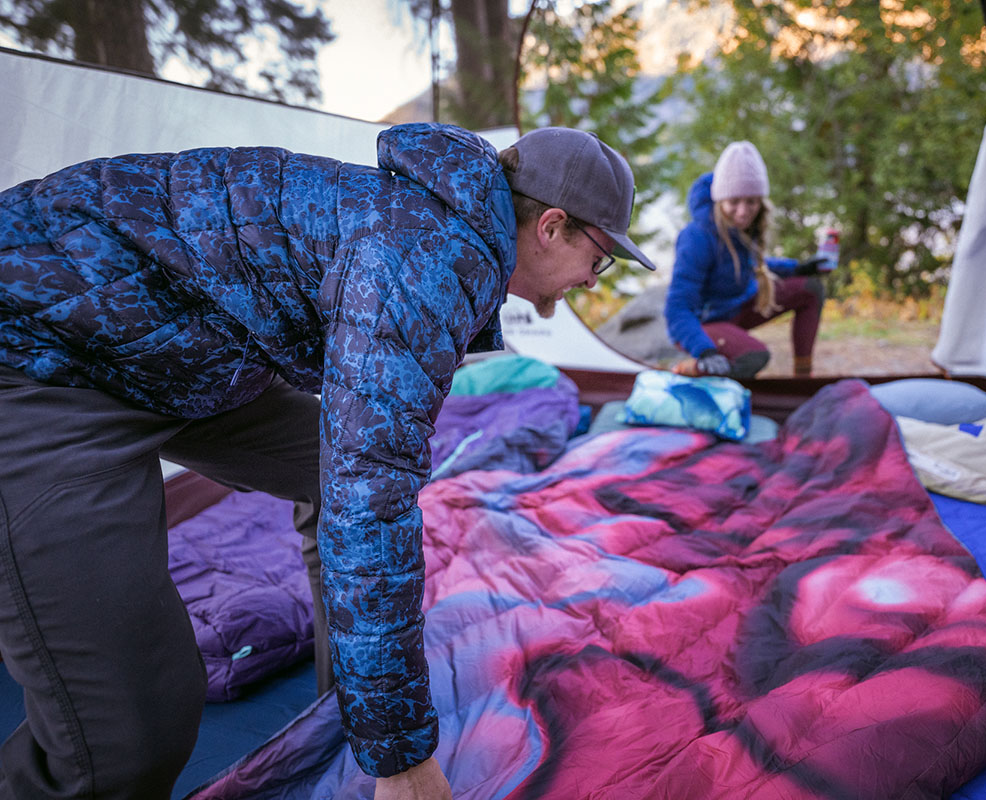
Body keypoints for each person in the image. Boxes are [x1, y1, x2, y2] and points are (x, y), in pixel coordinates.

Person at [0, 122, 655, 800]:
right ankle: (358, 720)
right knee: (127, 736)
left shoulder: (443, 230)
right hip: (38, 359)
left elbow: (355, 461)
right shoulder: (428, 257)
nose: (589, 280)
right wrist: (401, 757)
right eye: (599, 259)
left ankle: (337, 708)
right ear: (551, 227)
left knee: (329, 463)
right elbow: (368, 501)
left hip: (178, 348)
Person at [664, 140, 832, 380]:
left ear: (761, 203)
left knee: (810, 288)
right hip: (703, 326)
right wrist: (704, 350)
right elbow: (677, 309)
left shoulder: (743, 228)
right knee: (754, 357)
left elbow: (751, 265)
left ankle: (803, 378)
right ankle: (691, 368)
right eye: (734, 202)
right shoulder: (697, 237)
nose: (743, 211)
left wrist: (798, 268)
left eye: (751, 201)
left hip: (736, 309)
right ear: (720, 200)